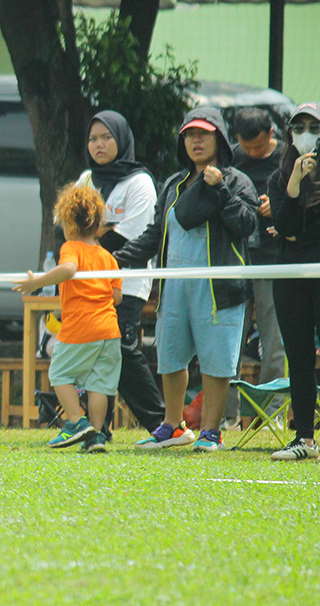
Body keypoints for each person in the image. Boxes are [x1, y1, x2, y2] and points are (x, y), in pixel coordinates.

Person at [116, 107, 258, 451]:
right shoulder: (172, 184)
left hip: (218, 290)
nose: (196, 140)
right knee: (170, 357)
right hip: (174, 287)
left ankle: (211, 431)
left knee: (216, 360)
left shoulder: (237, 180)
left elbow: (246, 225)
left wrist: (220, 187)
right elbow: (154, 235)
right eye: (190, 135)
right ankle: (172, 426)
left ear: (219, 139)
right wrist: (113, 259)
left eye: (204, 134)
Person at [74, 110, 165, 435]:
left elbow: (133, 237)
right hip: (87, 285)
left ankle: (161, 422)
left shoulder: (139, 181)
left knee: (122, 349)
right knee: (98, 352)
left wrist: (93, 233)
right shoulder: (86, 179)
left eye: (106, 137)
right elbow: (67, 229)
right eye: (93, 138)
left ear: (122, 139)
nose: (99, 144)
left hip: (127, 284)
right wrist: (103, 230)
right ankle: (99, 428)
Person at [15, 185, 123, 452]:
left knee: (60, 373)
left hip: (80, 328)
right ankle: (96, 436)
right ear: (98, 225)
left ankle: (75, 421)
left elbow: (69, 269)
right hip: (109, 330)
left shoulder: (71, 247)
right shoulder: (108, 257)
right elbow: (117, 296)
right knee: (99, 384)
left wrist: (36, 282)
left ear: (71, 226)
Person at [267, 102, 320, 460]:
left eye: (313, 127)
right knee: (299, 359)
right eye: (298, 127)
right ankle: (305, 438)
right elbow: (285, 226)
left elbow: (298, 231)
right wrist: (295, 182)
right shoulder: (279, 177)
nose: (305, 133)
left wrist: (295, 235)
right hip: (289, 278)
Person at [231, 107, 288, 427]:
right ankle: (226, 414)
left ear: (271, 134)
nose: (251, 153)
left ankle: (269, 414)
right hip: (237, 258)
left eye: (257, 147)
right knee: (228, 339)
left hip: (273, 259)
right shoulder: (232, 157)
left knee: (273, 340)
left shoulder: (286, 157)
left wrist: (275, 205)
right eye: (245, 146)